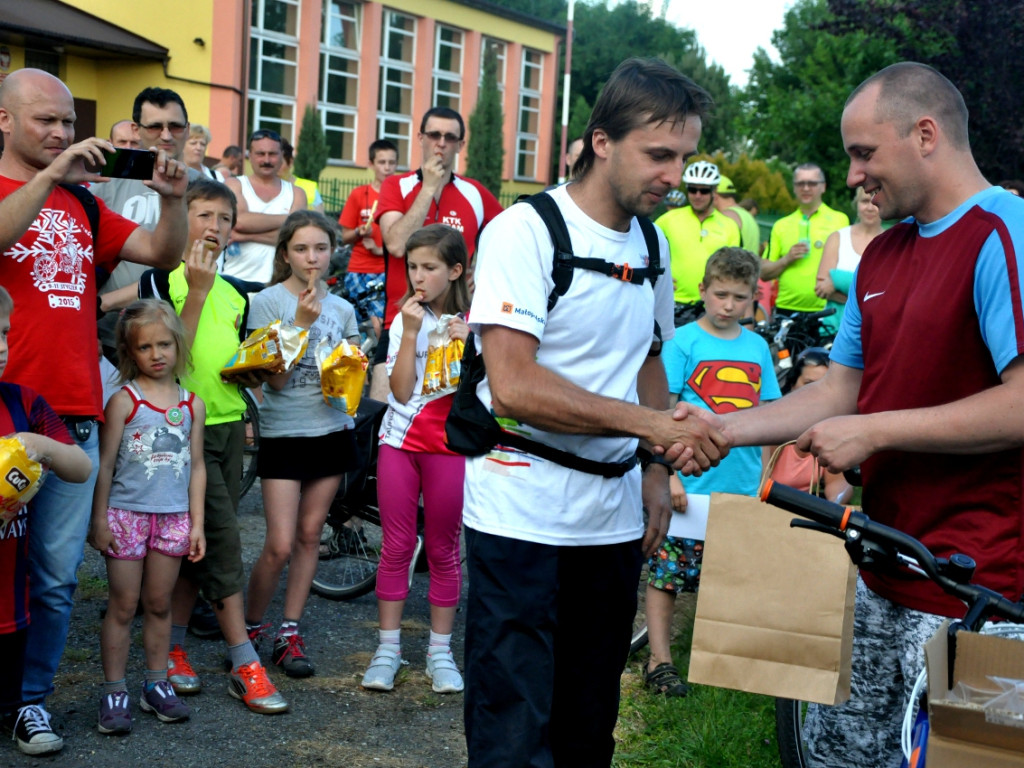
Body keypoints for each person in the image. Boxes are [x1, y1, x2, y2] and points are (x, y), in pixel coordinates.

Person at [700, 61, 1024, 768]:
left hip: (986, 594)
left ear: (926, 134)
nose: (852, 177)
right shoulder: (881, 259)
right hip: (881, 570)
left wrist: (875, 432)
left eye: (864, 152)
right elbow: (839, 392)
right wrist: (720, 429)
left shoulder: (1006, 232)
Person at [462, 57, 727, 768]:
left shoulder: (653, 242)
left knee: (588, 725)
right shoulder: (524, 231)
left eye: (686, 157)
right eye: (660, 155)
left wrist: (650, 466)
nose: (676, 176)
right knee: (512, 730)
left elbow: (646, 356)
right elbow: (513, 386)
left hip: (609, 522)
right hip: (520, 511)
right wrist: (655, 429)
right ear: (602, 141)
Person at [0, 68, 188, 754]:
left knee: (52, 581)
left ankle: (31, 702)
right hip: (3, 416)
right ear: (4, 121)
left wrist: (171, 202)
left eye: (66, 124)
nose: (60, 133)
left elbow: (159, 253)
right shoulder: (41, 189)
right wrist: (51, 175)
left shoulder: (82, 204)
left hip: (72, 414)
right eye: (45, 120)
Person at [139, 178, 289, 715]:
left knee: (190, 545)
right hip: (179, 432)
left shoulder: (233, 292)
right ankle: (243, 660)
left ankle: (174, 647)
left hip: (226, 427)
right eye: (204, 215)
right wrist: (196, 290)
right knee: (223, 543)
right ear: (184, 220)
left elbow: (219, 362)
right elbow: (170, 361)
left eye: (225, 219)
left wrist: (248, 372)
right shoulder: (163, 281)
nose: (215, 228)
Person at [643, 247, 780, 698]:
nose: (728, 305)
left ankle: (718, 663)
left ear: (752, 299)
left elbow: (771, 416)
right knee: (668, 577)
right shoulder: (683, 342)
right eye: (720, 294)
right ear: (702, 290)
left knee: (729, 577)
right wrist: (671, 474)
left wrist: (765, 478)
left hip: (739, 488)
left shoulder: (758, 346)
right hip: (689, 484)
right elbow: (662, 410)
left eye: (739, 298)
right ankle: (659, 659)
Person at [244, 210, 359, 678]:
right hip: (284, 433)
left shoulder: (345, 308)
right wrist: (301, 323)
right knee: (278, 543)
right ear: (285, 254)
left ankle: (289, 631)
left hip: (331, 431)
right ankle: (249, 627)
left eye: (320, 248)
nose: (312, 258)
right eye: (301, 249)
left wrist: (353, 364)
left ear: (332, 251)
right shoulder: (267, 302)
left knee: (310, 535)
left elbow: (349, 379)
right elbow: (275, 382)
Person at [360, 224, 470, 694]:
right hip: (400, 444)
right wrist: (407, 333)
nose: (419, 276)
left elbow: (485, 396)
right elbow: (400, 390)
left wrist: (472, 345)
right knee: (397, 546)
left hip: (450, 448)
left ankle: (440, 653)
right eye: (413, 266)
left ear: (455, 270)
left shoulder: (477, 319)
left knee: (445, 549)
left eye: (430, 267)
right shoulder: (404, 316)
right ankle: (388, 649)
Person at [88, 300, 206, 735]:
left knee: (159, 604)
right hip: (125, 516)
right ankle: (114, 689)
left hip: (173, 518)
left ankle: (155, 683)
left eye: (164, 345)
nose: (157, 354)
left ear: (178, 346)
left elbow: (196, 466)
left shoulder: (193, 405)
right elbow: (104, 463)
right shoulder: (124, 402)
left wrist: (196, 523)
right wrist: (99, 519)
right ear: (129, 352)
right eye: (145, 347)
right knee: (123, 605)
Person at [0, 286, 91, 755]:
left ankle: (24, 708)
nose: (0, 346)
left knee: (13, 649)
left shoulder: (23, 403)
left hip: (9, 585)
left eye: (4, 334)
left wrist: (40, 446)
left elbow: (80, 468)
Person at [375, 106, 502, 407]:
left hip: (457, 326)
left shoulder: (475, 193)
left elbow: (509, 243)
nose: (441, 143)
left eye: (450, 137)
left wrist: (481, 275)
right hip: (403, 321)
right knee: (382, 410)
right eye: (434, 134)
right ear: (420, 137)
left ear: (461, 144)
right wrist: (429, 188)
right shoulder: (397, 185)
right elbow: (395, 244)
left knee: (452, 420)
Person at [94, 87, 201, 362]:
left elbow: (193, 264)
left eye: (175, 126)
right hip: (112, 336)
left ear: (187, 129)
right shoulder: (104, 183)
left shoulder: (206, 188)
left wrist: (106, 302)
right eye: (155, 126)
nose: (166, 135)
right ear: (135, 128)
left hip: (178, 334)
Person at [655, 160, 740, 324]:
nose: (698, 195)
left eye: (704, 191)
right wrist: (656, 274)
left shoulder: (729, 226)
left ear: (714, 191)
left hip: (712, 308)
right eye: (693, 190)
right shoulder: (668, 220)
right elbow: (641, 251)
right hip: (672, 304)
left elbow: (735, 270)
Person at [761, 163, 849, 315]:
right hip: (787, 308)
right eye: (800, 183)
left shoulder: (840, 220)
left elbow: (850, 265)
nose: (806, 188)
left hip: (828, 308)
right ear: (794, 188)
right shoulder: (781, 225)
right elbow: (763, 272)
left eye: (812, 183)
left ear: (823, 187)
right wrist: (787, 259)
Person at [222, 129, 307, 284]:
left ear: (282, 156)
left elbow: (297, 239)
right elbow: (240, 221)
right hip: (234, 282)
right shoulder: (234, 185)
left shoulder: (297, 194)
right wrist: (290, 219)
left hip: (281, 286)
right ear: (250, 156)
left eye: (272, 154)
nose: (266, 160)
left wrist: (247, 236)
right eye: (260, 154)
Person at [768, 347, 852, 503]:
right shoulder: (775, 428)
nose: (816, 394)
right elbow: (758, 482)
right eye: (809, 384)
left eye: (823, 387)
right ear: (792, 385)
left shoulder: (830, 431)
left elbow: (838, 482)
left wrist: (833, 506)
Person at [338, 138, 398, 353]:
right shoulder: (359, 194)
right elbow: (343, 236)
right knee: (357, 328)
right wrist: (358, 232)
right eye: (382, 162)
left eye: (392, 162)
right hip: (359, 270)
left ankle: (380, 364)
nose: (388, 168)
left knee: (381, 326)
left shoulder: (402, 196)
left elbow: (408, 241)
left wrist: (378, 250)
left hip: (387, 270)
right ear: (371, 164)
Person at [814, 186, 882, 333]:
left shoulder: (892, 242)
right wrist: (866, 300)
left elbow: (888, 294)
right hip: (835, 331)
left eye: (874, 201)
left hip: (875, 330)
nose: (870, 207)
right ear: (856, 204)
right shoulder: (838, 238)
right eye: (864, 201)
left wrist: (837, 281)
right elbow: (821, 288)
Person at [279, 139, 323, 213]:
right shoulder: (255, 188)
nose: (274, 167)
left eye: (279, 163)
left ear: (290, 162)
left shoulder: (309, 188)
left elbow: (319, 221)